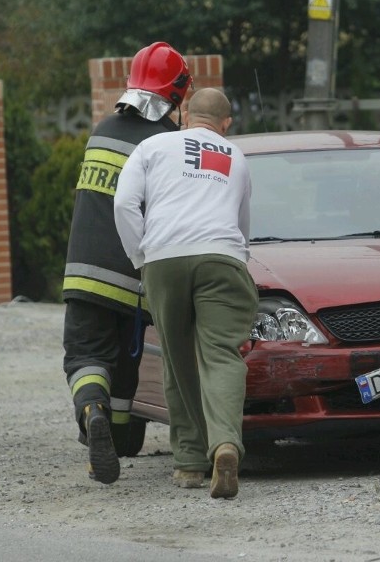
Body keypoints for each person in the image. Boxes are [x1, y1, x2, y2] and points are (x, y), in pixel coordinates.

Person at [114, 88, 257, 499]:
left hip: (164, 258)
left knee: (177, 361)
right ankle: (225, 444)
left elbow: (124, 204)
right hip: (221, 256)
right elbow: (242, 225)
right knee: (221, 356)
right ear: (226, 124)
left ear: (184, 116)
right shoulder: (236, 157)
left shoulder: (152, 145)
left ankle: (190, 464)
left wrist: (141, 255)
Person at [62, 42, 192, 484]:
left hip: (83, 272)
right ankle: (119, 440)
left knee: (84, 357)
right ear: (177, 92)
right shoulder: (168, 143)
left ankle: (91, 413)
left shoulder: (102, 129)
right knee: (123, 367)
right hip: (134, 283)